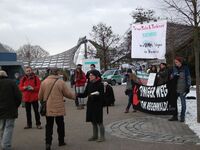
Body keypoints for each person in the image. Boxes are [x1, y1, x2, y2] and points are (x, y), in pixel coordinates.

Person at [38, 68, 76, 150]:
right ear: (57, 73)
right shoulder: (60, 82)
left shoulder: (44, 82)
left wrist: (43, 100)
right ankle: (61, 141)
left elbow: (39, 96)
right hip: (59, 107)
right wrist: (74, 97)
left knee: (49, 126)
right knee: (60, 124)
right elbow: (67, 94)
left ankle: (48, 143)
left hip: (48, 108)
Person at [77, 70, 105, 142]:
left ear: (96, 76)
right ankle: (95, 136)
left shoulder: (100, 84)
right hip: (90, 104)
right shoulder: (89, 84)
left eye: (91, 75)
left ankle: (102, 137)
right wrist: (77, 95)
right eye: (89, 75)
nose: (89, 76)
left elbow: (102, 96)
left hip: (97, 105)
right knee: (93, 121)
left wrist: (94, 96)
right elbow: (85, 94)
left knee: (99, 121)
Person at [0, 70, 22, 150]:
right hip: (10, 109)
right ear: (6, 75)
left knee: (2, 127)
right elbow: (18, 96)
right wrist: (16, 105)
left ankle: (3, 143)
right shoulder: (11, 82)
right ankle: (6, 145)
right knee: (9, 127)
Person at [168, 57, 191, 122]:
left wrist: (188, 87)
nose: (175, 63)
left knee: (183, 103)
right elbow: (171, 77)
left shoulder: (185, 68)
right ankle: (174, 116)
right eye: (175, 62)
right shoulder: (174, 68)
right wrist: (172, 76)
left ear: (180, 62)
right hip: (175, 89)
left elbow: (188, 78)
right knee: (173, 103)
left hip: (182, 89)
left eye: (176, 62)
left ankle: (182, 116)